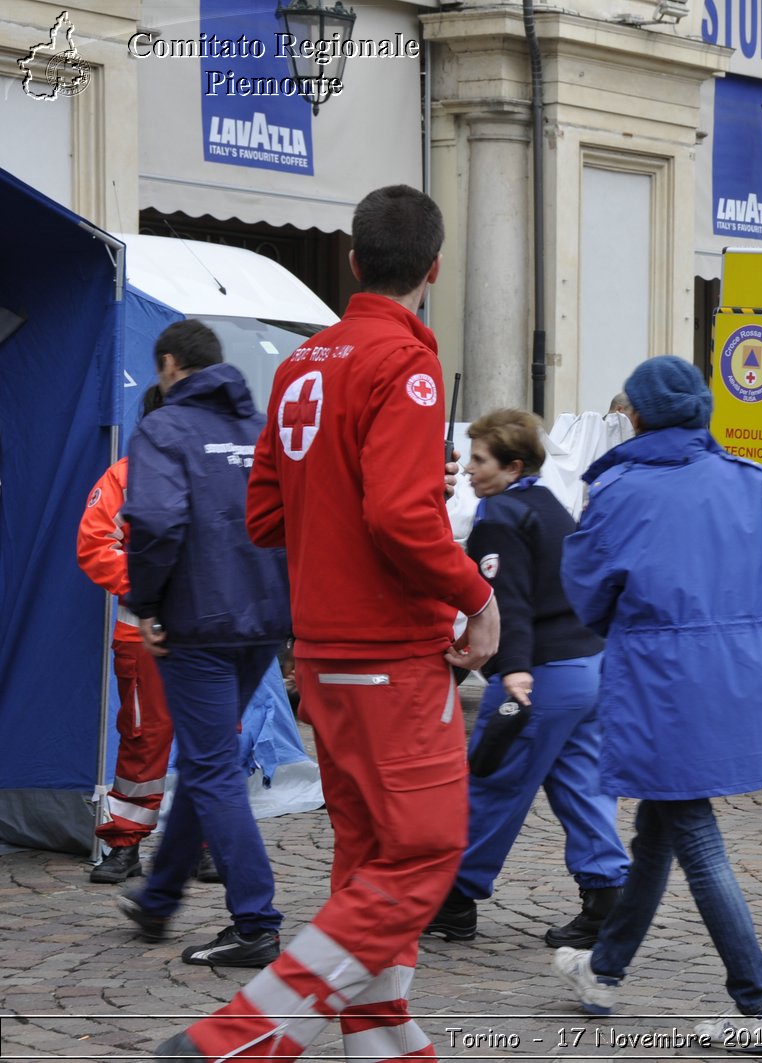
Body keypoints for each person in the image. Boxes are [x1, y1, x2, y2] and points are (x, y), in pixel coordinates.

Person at [149, 185, 500, 1063]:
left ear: (351, 262)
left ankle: (382, 1042)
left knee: (371, 860)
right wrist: (478, 596)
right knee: (424, 850)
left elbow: (265, 512)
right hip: (391, 648)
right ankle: (241, 1037)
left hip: (325, 653)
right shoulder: (408, 367)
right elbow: (400, 519)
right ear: (435, 268)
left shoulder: (304, 363)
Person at [553, 355, 762, 1053]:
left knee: (695, 837)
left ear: (637, 417)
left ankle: (756, 1004)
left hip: (662, 687)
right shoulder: (751, 480)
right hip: (739, 676)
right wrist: (754, 618)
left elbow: (586, 591)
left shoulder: (619, 489)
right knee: (660, 828)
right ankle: (604, 969)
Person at [117, 321, 291, 968]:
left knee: (212, 765)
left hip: (198, 620)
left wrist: (147, 603)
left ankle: (256, 920)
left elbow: (157, 521)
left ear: (168, 364)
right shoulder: (261, 428)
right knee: (207, 758)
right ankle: (160, 897)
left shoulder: (163, 429)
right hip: (264, 618)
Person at [425, 407, 626, 947]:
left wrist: (512, 672)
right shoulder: (550, 507)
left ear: (513, 465)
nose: (468, 469)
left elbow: (505, 602)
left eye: (479, 459)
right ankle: (606, 896)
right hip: (587, 669)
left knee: (492, 784)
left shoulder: (499, 516)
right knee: (581, 786)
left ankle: (454, 900)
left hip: (538, 677)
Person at [77, 386, 174, 884]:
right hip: (143, 637)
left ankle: (207, 840)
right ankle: (125, 843)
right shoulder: (125, 477)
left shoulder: (223, 472)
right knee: (142, 739)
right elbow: (95, 544)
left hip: (211, 635)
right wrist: (153, 589)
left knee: (219, 740)